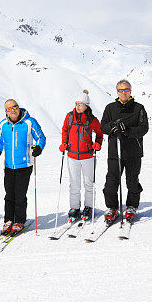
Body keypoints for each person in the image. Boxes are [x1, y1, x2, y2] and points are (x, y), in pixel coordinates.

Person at [0, 98, 46, 234]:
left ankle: (19, 220)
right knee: (9, 194)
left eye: (14, 107)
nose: (12, 110)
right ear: (6, 112)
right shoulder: (3, 124)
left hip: (25, 164)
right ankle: (8, 220)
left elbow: (41, 137)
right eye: (9, 109)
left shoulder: (29, 122)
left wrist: (38, 147)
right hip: (9, 165)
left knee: (20, 195)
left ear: (18, 107)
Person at [100, 79, 149, 224]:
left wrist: (127, 131)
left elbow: (143, 128)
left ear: (130, 91)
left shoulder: (139, 108)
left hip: (133, 152)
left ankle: (131, 206)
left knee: (132, 181)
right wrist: (112, 128)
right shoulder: (110, 108)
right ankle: (112, 207)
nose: (124, 92)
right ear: (117, 92)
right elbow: (103, 126)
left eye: (126, 90)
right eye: (121, 90)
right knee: (111, 182)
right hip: (115, 152)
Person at [58, 89, 103, 223]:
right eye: (76, 104)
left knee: (89, 183)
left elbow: (99, 133)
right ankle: (74, 208)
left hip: (88, 156)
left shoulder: (92, 120)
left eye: (81, 104)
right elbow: (65, 129)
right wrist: (64, 143)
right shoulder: (70, 116)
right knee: (74, 184)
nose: (78, 106)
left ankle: (88, 207)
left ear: (86, 105)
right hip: (72, 156)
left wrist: (97, 144)